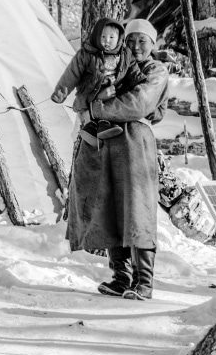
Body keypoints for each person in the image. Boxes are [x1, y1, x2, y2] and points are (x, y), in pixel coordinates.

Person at [65, 18, 168, 301]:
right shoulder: (112, 63)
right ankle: (120, 277)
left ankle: (144, 281)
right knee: (109, 206)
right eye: (131, 40)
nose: (135, 46)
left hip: (135, 144)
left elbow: (139, 103)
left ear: (152, 45)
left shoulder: (155, 71)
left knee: (137, 209)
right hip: (107, 142)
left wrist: (95, 109)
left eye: (142, 41)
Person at [51, 17, 132, 142]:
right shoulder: (87, 54)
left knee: (108, 112)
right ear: (96, 36)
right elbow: (72, 73)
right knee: (87, 116)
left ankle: (104, 128)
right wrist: (60, 93)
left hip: (112, 94)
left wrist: (143, 80)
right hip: (89, 94)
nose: (107, 41)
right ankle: (89, 132)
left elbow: (134, 70)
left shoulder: (124, 55)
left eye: (111, 37)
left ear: (119, 38)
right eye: (103, 37)